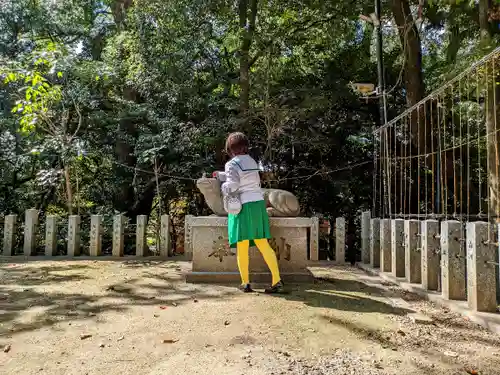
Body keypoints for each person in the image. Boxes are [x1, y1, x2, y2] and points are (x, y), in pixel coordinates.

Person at [220, 132, 285, 293]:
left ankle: (245, 283)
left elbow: (233, 184)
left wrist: (223, 186)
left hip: (242, 206)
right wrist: (221, 175)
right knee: (262, 243)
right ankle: (277, 280)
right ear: (245, 146)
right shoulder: (252, 161)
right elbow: (247, 177)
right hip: (257, 204)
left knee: (242, 245)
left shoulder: (231, 164)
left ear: (230, 148)